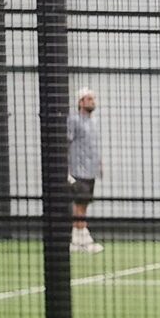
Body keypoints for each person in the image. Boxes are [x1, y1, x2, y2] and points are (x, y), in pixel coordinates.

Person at [69, 88, 103, 253]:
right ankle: (83, 239)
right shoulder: (74, 120)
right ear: (81, 102)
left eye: (93, 99)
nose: (92, 102)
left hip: (90, 170)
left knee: (84, 204)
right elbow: (67, 142)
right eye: (89, 99)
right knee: (79, 204)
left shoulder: (94, 122)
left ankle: (77, 239)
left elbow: (93, 145)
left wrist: (99, 164)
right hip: (77, 170)